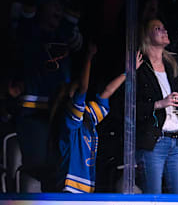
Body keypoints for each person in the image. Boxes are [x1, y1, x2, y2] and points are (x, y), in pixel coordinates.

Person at [53, 46, 140, 193]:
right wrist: (89, 57)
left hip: (86, 184)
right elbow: (83, 88)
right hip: (70, 184)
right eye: (76, 92)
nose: (81, 97)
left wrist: (128, 73)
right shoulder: (70, 118)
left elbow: (107, 92)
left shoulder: (89, 116)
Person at [136, 18, 178, 194]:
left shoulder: (173, 63)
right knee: (153, 196)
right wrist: (160, 103)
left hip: (176, 140)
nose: (164, 31)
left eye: (164, 27)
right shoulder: (141, 66)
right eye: (157, 28)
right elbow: (130, 106)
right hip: (154, 141)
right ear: (146, 35)